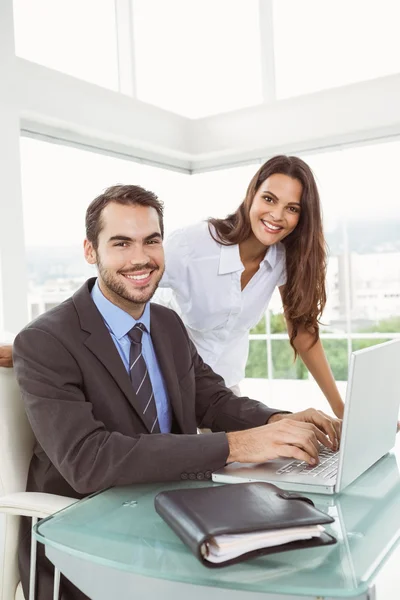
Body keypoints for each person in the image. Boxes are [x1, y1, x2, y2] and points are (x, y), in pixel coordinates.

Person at [13, 185, 341, 600]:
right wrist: (237, 446)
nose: (140, 258)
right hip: (86, 545)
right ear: (90, 251)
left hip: (171, 514)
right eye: (121, 243)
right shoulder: (46, 341)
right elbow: (88, 461)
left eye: (152, 241)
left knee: (301, 573)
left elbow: (213, 400)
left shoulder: (167, 324)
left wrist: (277, 421)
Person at [157, 155, 345, 418]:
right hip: (166, 387)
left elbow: (303, 333)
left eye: (292, 208)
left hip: (222, 393)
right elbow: (131, 293)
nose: (277, 215)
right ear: (252, 195)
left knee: (261, 456)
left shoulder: (282, 259)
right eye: (269, 199)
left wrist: (343, 411)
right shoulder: (192, 245)